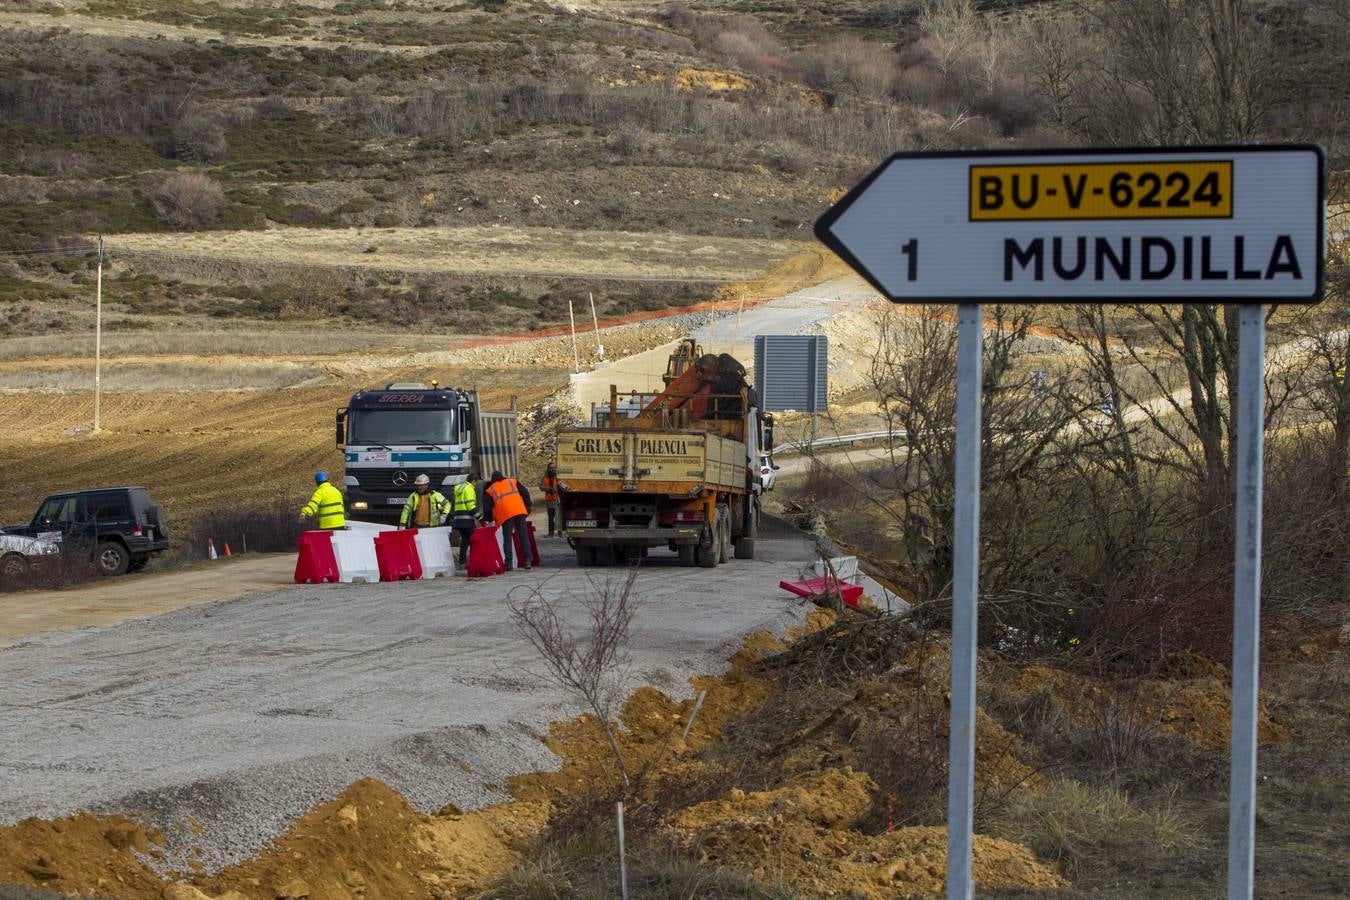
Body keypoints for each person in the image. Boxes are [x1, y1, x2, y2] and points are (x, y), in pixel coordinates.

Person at [483, 470, 532, 571]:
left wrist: (489, 520)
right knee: (523, 536)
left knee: (507, 539)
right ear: (502, 476)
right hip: (519, 511)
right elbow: (525, 492)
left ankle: (508, 563)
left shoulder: (490, 489)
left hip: (505, 515)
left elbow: (487, 508)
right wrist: (528, 507)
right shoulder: (512, 481)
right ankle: (527, 560)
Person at [447, 474, 480, 568]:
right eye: (476, 482)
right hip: (467, 520)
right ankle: (473, 561)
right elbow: (470, 505)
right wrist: (479, 517)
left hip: (459, 520)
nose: (476, 484)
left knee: (465, 541)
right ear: (473, 480)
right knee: (473, 540)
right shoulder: (469, 488)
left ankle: (462, 562)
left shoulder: (460, 488)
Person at [539, 462, 559, 537]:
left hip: (558, 500)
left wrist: (555, 490)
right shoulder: (545, 477)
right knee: (550, 518)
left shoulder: (559, 476)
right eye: (551, 468)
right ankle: (551, 533)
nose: (553, 469)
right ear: (548, 468)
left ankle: (560, 532)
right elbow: (541, 486)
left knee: (559, 517)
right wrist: (548, 489)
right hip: (549, 500)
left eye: (554, 467)